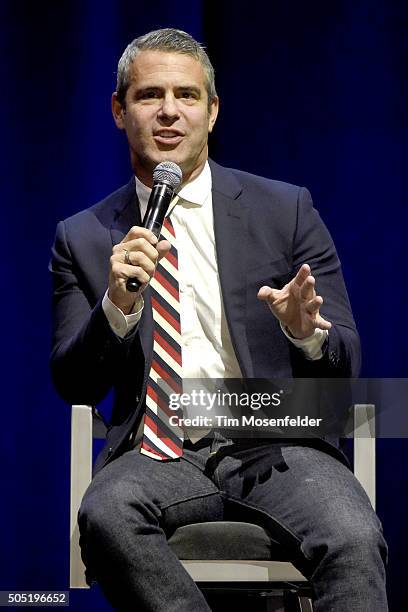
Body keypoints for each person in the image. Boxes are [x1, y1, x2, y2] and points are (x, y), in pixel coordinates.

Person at [50, 28, 388, 611]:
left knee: (354, 538)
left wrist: (305, 337)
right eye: (149, 95)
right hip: (158, 453)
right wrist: (117, 307)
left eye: (186, 96)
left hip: (277, 444)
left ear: (212, 112)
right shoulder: (82, 236)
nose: (169, 112)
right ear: (118, 111)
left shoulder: (285, 210)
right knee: (105, 514)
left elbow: (347, 366)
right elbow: (73, 383)